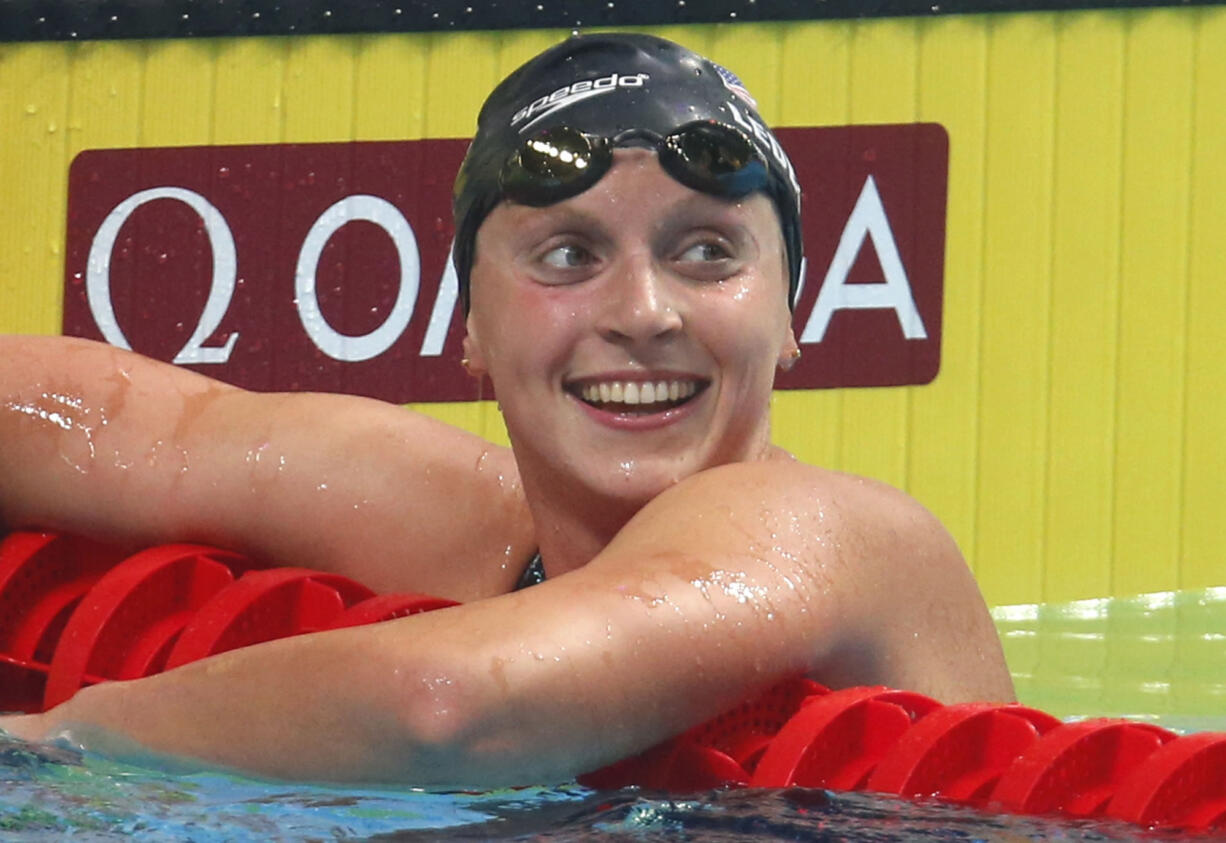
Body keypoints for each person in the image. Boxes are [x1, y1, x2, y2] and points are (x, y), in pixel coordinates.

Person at [0, 33, 1013, 785]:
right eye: (568, 255)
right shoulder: (466, 524)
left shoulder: (827, 537)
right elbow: (131, 430)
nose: (642, 313)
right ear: (471, 331)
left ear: (788, 312)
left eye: (704, 252)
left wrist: (52, 745)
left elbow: (447, 707)